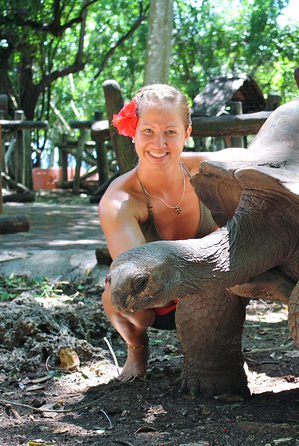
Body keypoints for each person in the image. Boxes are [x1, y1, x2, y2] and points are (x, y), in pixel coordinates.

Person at [99, 84, 220, 381]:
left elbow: (256, 158)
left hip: (215, 291)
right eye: (149, 131)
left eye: (170, 132)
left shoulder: (209, 171)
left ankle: (221, 351)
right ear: (133, 133)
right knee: (120, 296)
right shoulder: (119, 201)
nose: (159, 143)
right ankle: (137, 348)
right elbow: (141, 281)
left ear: (187, 134)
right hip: (155, 301)